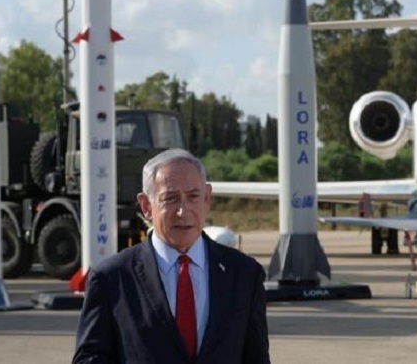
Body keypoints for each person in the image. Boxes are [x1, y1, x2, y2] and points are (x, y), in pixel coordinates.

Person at [73, 148, 270, 364]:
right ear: (146, 206)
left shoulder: (244, 274)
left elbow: (257, 357)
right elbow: (89, 359)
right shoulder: (111, 279)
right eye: (170, 198)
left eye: (193, 196)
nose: (183, 211)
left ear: (207, 198)